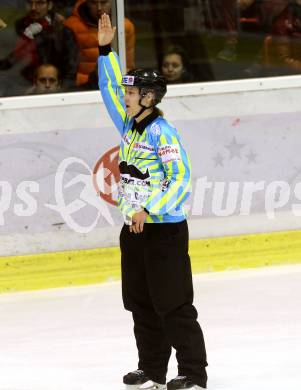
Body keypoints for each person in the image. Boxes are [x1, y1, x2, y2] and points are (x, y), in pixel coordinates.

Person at [98, 13, 208, 390]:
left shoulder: (164, 133)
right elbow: (109, 87)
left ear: (148, 97)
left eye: (131, 93)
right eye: (127, 93)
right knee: (141, 304)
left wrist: (150, 208)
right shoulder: (129, 124)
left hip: (164, 232)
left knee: (173, 305)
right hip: (134, 230)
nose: (124, 97)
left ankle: (193, 373)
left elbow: (180, 179)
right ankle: (152, 370)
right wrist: (104, 49)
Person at [0, 0, 78, 93]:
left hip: (52, 87)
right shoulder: (16, 29)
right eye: (30, 3)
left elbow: (71, 69)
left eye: (40, 3)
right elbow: (7, 63)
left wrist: (61, 90)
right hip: (19, 86)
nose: (33, 8)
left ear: (49, 5)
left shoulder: (62, 32)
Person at [64, 0, 135, 85]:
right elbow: (69, 69)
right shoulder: (72, 26)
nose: (99, 8)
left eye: (104, 2)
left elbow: (128, 66)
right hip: (82, 87)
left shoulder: (124, 27)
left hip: (115, 85)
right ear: (86, 3)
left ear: (112, 3)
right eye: (93, 3)